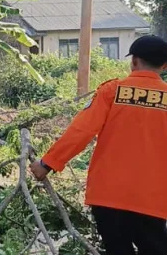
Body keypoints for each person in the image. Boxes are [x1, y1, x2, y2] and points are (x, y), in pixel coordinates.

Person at [30, 35, 167, 254]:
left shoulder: (111, 91)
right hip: (154, 198)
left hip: (109, 195)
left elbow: (80, 132)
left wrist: (46, 164)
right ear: (164, 65)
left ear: (134, 61)